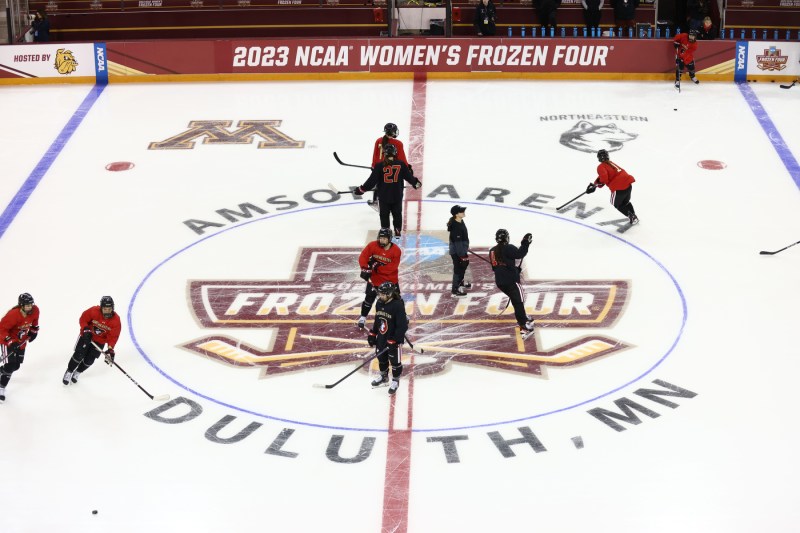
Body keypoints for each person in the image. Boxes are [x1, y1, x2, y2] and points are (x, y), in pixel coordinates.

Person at [355, 144, 421, 239]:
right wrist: (416, 183)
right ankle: (397, 232)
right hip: (397, 196)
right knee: (397, 214)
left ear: (384, 154)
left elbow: (371, 181)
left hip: (384, 197)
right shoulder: (401, 164)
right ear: (395, 153)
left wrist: (361, 189)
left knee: (384, 215)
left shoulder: (379, 166)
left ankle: (385, 234)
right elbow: (409, 177)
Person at [62, 296, 121, 386]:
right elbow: (83, 319)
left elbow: (113, 336)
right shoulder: (94, 311)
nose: (107, 311)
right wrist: (85, 329)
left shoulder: (116, 320)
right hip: (87, 336)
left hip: (100, 341)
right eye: (105, 309)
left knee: (89, 360)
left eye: (109, 309)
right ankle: (69, 371)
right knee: (79, 355)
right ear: (101, 307)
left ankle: (78, 372)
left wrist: (110, 349)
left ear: (113, 308)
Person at [489, 229, 534, 338]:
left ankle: (523, 317)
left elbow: (496, 267)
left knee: (516, 300)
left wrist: (514, 269)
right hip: (511, 281)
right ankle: (523, 327)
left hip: (500, 282)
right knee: (518, 302)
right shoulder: (508, 247)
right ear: (507, 238)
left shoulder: (492, 251)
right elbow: (520, 254)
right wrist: (525, 242)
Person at [367, 282, 408, 395]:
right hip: (382, 336)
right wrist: (373, 333)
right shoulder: (379, 303)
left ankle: (395, 381)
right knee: (381, 357)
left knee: (395, 361)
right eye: (379, 293)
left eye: (382, 294)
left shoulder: (397, 305)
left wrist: (395, 339)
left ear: (389, 294)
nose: (380, 296)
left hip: (394, 340)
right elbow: (378, 319)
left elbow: (403, 325)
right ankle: (384, 377)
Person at [356, 229, 402, 329]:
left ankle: (402, 315)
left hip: (390, 279)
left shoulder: (396, 251)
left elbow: (392, 268)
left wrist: (377, 267)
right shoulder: (372, 245)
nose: (382, 240)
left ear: (389, 239)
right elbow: (363, 257)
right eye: (380, 238)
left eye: (384, 238)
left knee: (397, 299)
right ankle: (363, 317)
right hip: (375, 279)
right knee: (369, 298)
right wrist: (365, 269)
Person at [0, 293, 40, 402]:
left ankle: (1, 371)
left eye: (30, 304)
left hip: (21, 342)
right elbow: (2, 330)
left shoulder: (35, 310)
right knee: (10, 365)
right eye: (27, 305)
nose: (29, 307)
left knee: (16, 366)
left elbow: (35, 322)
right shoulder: (13, 315)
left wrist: (34, 331)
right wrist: (11, 342)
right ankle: (1, 387)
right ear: (21, 305)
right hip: (7, 341)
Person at [585, 149, 639, 225]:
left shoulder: (600, 166)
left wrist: (595, 186)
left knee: (616, 204)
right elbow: (606, 176)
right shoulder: (610, 163)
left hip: (619, 188)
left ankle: (632, 217)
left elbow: (604, 179)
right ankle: (634, 216)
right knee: (625, 202)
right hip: (628, 185)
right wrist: (595, 184)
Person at [369, 123, 412, 209]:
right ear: (392, 132)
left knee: (379, 184)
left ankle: (375, 201)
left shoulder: (378, 141)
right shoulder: (398, 143)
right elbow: (401, 158)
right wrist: (407, 168)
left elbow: (375, 155)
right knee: (395, 186)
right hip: (392, 167)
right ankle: (395, 205)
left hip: (379, 167)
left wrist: (374, 166)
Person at [447, 205, 471, 297]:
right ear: (456, 214)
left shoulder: (459, 221)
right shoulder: (456, 227)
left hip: (461, 249)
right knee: (458, 269)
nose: (463, 212)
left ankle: (460, 283)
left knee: (462, 267)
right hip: (457, 251)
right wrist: (463, 255)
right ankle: (455, 289)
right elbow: (457, 243)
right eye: (461, 211)